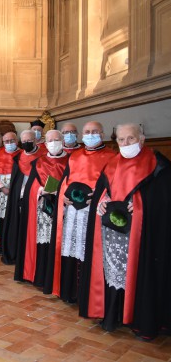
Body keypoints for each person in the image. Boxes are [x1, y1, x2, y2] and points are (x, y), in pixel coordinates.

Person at [80, 123, 171, 338]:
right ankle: (112, 313)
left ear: (142, 138)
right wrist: (102, 202)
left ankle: (138, 318)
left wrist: (140, 206)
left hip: (143, 238)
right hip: (112, 235)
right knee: (113, 273)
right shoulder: (112, 164)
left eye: (130, 139)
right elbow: (103, 192)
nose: (125, 144)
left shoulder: (159, 166)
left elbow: (163, 202)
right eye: (121, 140)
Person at [45, 121, 116, 302]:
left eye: (94, 132)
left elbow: (114, 185)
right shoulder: (75, 156)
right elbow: (63, 181)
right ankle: (69, 292)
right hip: (72, 211)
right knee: (70, 250)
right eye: (87, 132)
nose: (90, 135)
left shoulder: (112, 156)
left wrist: (100, 197)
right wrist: (63, 196)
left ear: (102, 133)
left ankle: (88, 296)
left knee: (89, 251)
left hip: (93, 212)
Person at [14, 130, 68, 287]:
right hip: (42, 210)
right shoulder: (39, 162)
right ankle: (40, 276)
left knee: (59, 243)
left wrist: (61, 192)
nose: (53, 143)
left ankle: (57, 280)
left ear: (62, 141)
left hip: (64, 209)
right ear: (44, 142)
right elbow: (30, 188)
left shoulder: (71, 161)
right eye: (50, 140)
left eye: (56, 139)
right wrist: (41, 191)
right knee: (42, 243)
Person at [1, 130, 46, 264]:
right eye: (24, 141)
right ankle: (17, 254)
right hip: (19, 198)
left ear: (36, 140)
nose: (27, 143)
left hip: (38, 198)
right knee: (18, 224)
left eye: (29, 141)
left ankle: (32, 257)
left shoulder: (44, 156)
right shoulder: (19, 158)